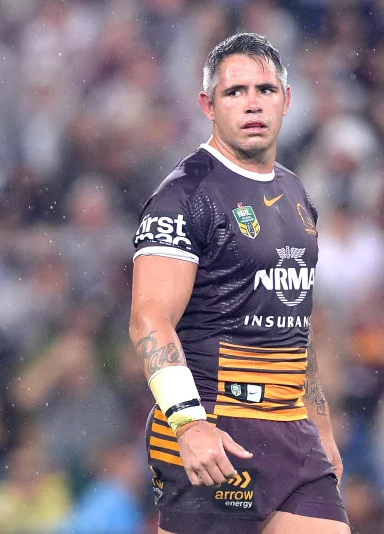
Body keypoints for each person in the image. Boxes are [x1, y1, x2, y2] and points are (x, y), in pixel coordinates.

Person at [129, 33, 349, 533]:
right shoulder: (184, 196)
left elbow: (291, 323)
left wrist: (321, 426)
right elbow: (148, 318)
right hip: (216, 430)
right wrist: (188, 424)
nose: (252, 103)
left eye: (265, 90)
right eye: (235, 92)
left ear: (287, 100)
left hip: (293, 436)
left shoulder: (296, 194)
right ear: (208, 104)